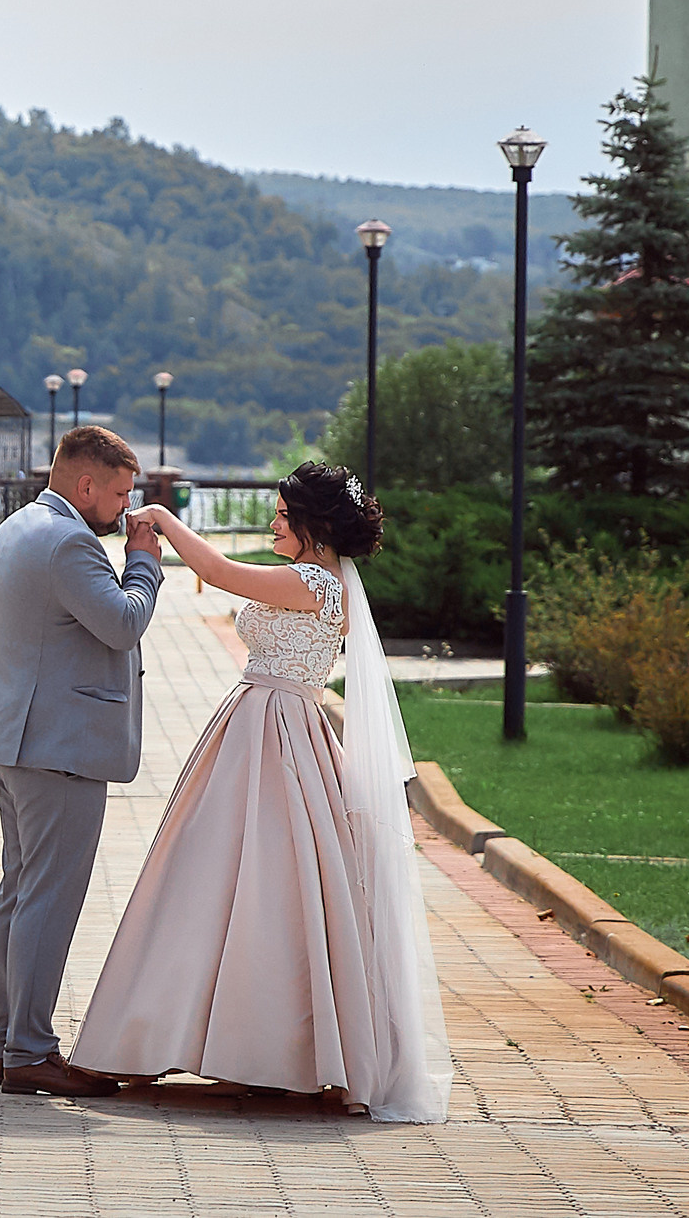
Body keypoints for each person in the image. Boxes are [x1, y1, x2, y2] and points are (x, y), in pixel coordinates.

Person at [69, 461, 451, 1122]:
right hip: (272, 724)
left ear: (314, 524)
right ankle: (264, 1047)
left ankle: (259, 1048)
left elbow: (215, 572)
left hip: (273, 728)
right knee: (262, 881)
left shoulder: (311, 580)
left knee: (254, 879)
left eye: (282, 513)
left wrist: (160, 519)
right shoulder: (329, 584)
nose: (273, 521)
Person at [0, 423, 163, 1098]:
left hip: (13, 736)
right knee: (47, 898)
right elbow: (122, 621)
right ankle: (29, 1049)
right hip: (58, 746)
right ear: (85, 484)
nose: (125, 508)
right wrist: (144, 558)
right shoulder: (71, 540)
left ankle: (9, 1043)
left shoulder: (21, 524)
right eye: (118, 493)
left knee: (20, 892)